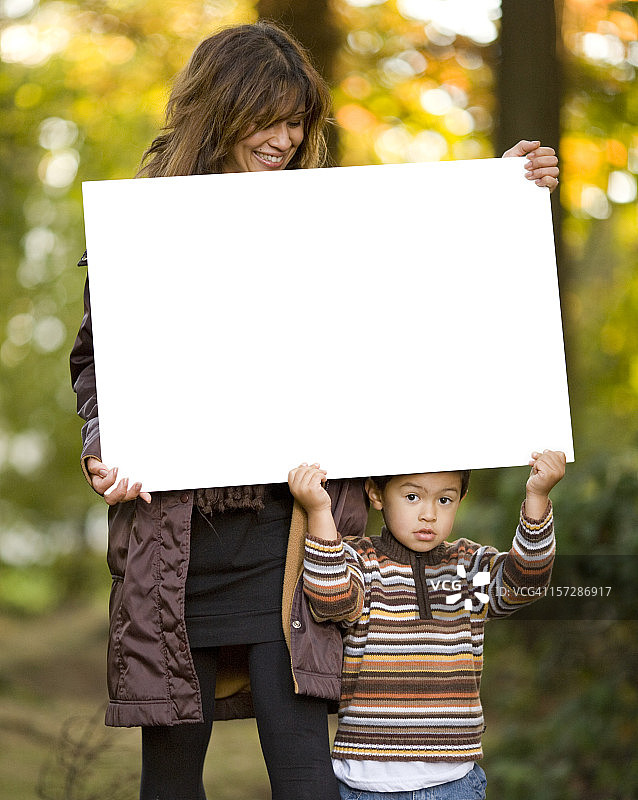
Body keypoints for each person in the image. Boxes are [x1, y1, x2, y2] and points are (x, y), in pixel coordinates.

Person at [70, 20, 560, 800]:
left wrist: (494, 195)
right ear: (218, 109)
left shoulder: (324, 222)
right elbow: (98, 363)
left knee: (302, 773)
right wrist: (108, 446)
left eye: (298, 120)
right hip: (174, 546)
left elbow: (413, 271)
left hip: (289, 538)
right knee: (168, 778)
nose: (285, 136)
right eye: (267, 116)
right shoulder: (144, 227)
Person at [288, 450, 566, 800]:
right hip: (366, 783)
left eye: (445, 499)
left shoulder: (466, 568)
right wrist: (318, 511)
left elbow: (525, 582)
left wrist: (538, 497)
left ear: (461, 499)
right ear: (376, 493)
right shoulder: (361, 561)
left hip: (454, 782)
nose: (429, 514)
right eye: (412, 496)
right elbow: (331, 599)